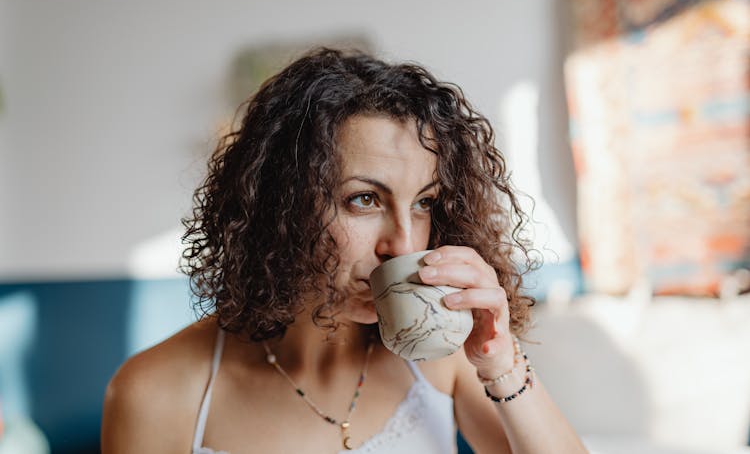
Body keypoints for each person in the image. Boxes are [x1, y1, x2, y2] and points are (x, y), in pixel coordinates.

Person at [101, 48, 587, 454]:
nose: (402, 243)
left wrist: (501, 363)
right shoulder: (157, 391)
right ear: (281, 206)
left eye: (423, 203)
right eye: (364, 200)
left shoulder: (445, 360)